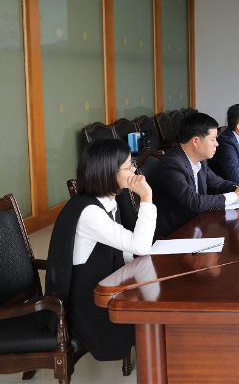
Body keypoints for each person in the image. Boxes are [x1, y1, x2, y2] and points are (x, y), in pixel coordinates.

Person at [45, 139, 156, 361]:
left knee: (152, 299)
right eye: (129, 166)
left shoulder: (108, 200)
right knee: (152, 316)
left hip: (104, 286)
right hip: (87, 302)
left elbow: (124, 250)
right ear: (108, 173)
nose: (134, 171)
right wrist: (146, 197)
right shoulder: (89, 212)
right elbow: (140, 245)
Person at [149, 112, 239, 237]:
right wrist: (236, 196)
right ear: (196, 141)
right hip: (174, 235)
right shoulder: (171, 165)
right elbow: (195, 202)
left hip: (197, 226)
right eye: (213, 139)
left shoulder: (200, 160)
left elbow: (218, 184)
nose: (217, 144)